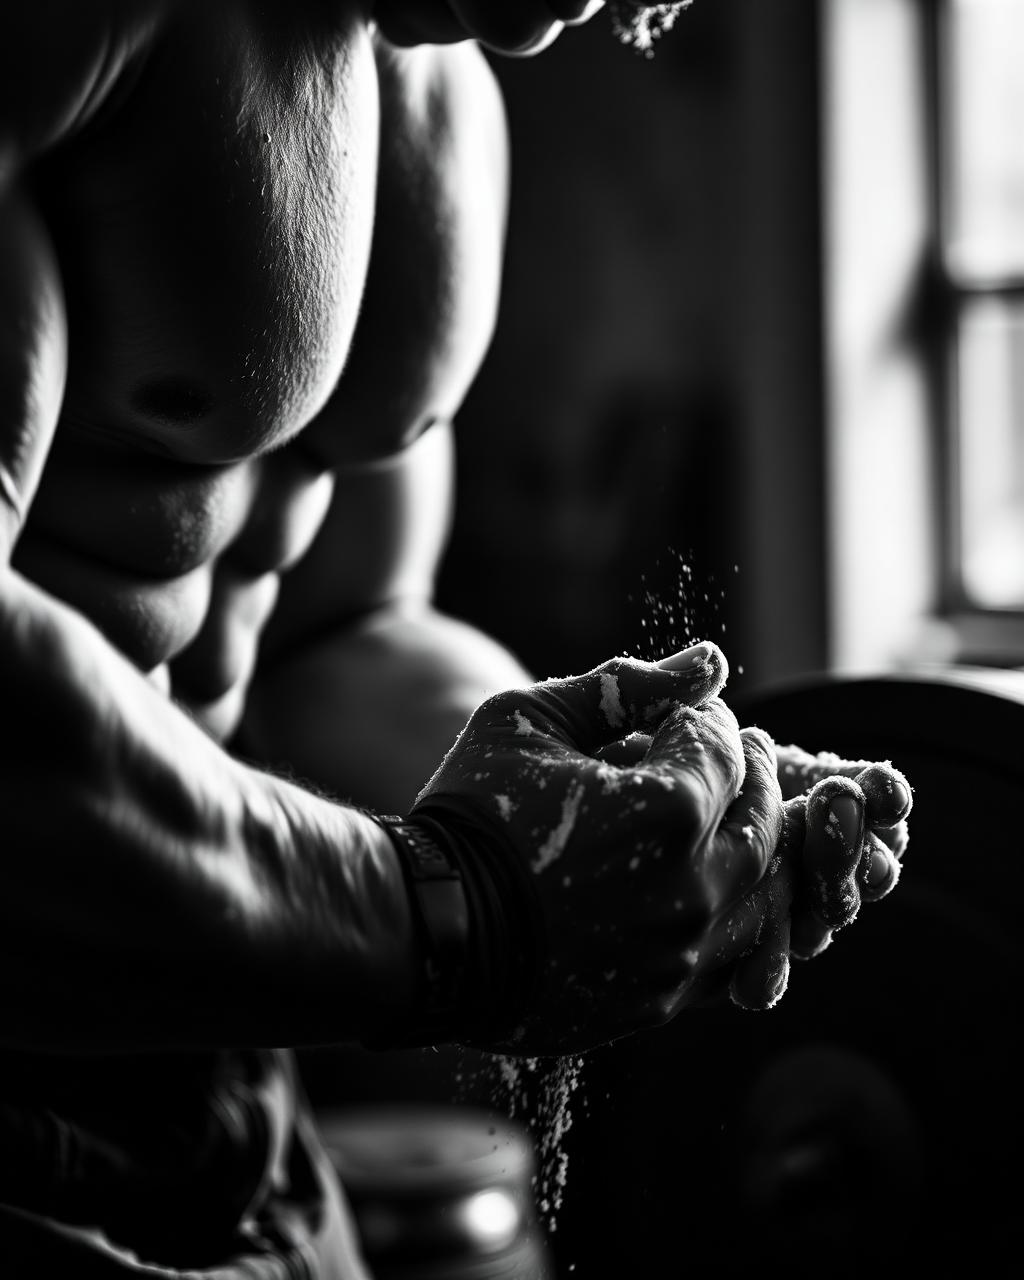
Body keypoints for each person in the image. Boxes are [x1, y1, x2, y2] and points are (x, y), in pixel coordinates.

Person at [0, 2, 911, 1275]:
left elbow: (340, 631)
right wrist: (456, 907)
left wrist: (634, 814)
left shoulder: (441, 92)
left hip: (225, 1094)